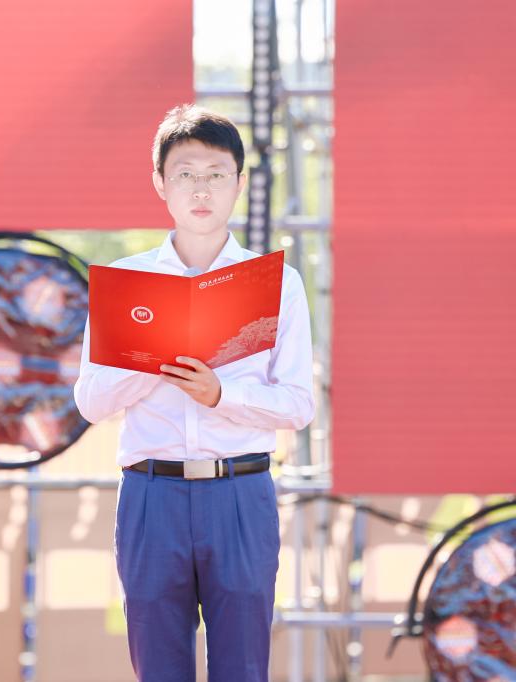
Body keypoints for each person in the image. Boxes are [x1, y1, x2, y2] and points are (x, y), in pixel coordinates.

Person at [74, 104, 315, 681]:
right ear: (160, 183)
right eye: (184, 174)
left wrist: (219, 393)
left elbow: (299, 404)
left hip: (241, 492)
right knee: (158, 666)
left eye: (215, 174)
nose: (200, 189)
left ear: (239, 183)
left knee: (243, 667)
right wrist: (153, 359)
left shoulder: (277, 284)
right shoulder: (129, 282)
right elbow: (90, 401)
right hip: (151, 493)